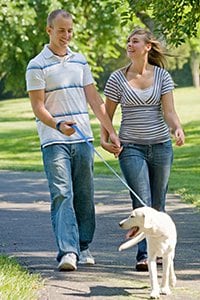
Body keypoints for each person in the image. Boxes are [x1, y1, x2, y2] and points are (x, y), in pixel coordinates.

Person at [25, 9, 120, 272]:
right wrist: (57, 124)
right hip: (54, 140)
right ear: (49, 31)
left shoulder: (80, 62)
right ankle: (68, 251)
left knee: (84, 195)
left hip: (82, 140)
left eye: (70, 30)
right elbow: (38, 107)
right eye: (61, 30)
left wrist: (110, 130)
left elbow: (94, 100)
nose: (66, 35)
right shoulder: (36, 65)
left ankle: (84, 246)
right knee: (62, 194)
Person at [101, 28, 185, 272]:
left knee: (158, 204)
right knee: (142, 202)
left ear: (147, 46)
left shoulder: (162, 77)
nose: (129, 44)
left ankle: (159, 252)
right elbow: (106, 115)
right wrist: (104, 139)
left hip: (160, 146)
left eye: (135, 41)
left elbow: (169, 112)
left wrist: (177, 129)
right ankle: (144, 254)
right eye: (128, 41)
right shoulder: (117, 78)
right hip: (131, 148)